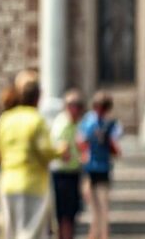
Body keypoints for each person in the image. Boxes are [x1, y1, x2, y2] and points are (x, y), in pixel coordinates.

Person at [0, 70, 65, 239]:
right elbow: (45, 151)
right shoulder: (36, 119)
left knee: (10, 234)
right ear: (38, 98)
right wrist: (61, 150)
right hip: (32, 184)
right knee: (30, 234)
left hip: (7, 182)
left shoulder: (6, 118)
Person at [78, 90, 122, 239]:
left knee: (102, 209)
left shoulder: (110, 125)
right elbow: (81, 142)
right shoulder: (88, 122)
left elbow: (115, 150)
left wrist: (106, 141)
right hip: (90, 169)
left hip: (102, 168)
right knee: (95, 210)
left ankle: (102, 235)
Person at [50, 89, 86, 239]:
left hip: (72, 172)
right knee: (65, 215)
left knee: (70, 214)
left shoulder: (74, 123)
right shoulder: (63, 124)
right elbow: (62, 151)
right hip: (63, 174)